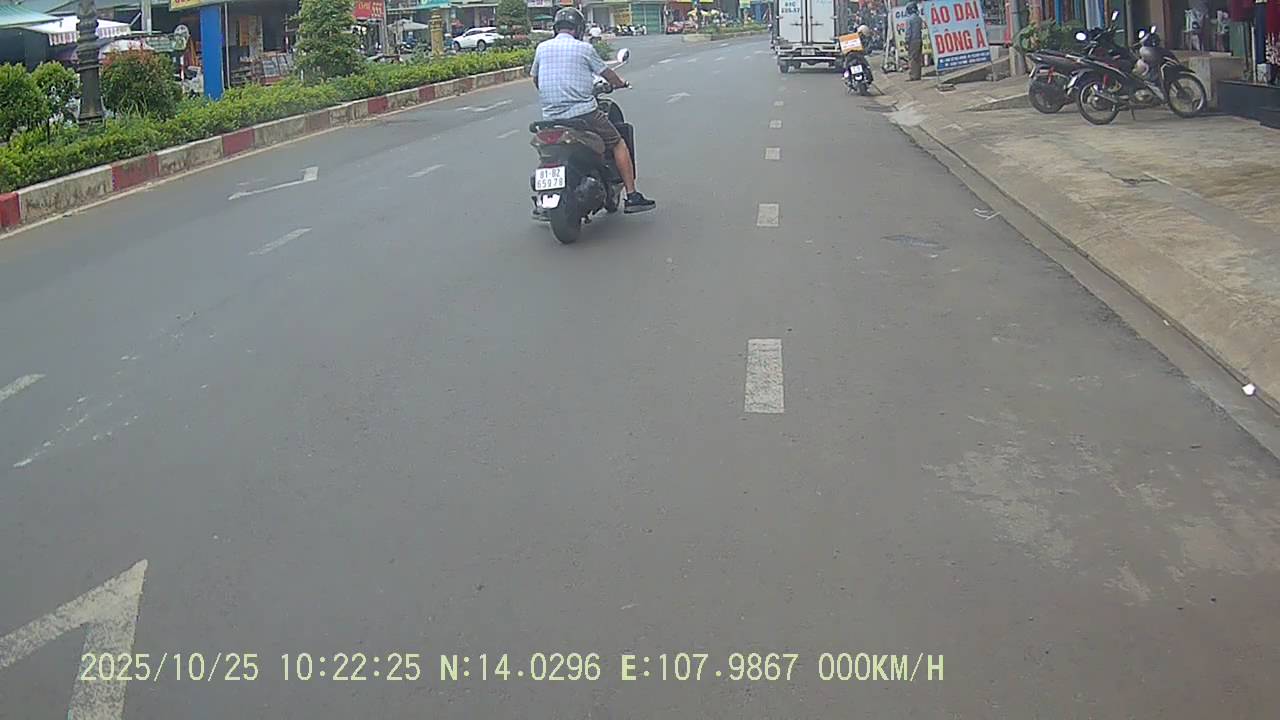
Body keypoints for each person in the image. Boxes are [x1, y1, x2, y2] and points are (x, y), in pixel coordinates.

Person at [531, 7, 655, 213]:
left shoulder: (541, 48)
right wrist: (620, 83)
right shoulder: (584, 49)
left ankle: (542, 201)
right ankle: (632, 195)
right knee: (618, 142)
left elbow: (536, 78)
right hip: (583, 114)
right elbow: (607, 74)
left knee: (548, 153)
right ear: (579, 29)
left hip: (551, 117)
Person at [905, 2, 924, 81]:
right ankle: (918, 75)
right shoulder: (919, 19)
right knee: (918, 58)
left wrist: (906, 41)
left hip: (912, 41)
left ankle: (913, 76)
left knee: (912, 58)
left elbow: (908, 32)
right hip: (919, 39)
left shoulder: (909, 19)